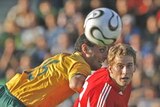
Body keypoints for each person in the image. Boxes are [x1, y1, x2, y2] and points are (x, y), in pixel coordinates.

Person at [0, 33, 108, 107]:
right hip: (22, 102)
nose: (105, 56)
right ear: (85, 49)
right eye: (102, 50)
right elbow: (76, 84)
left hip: (6, 91)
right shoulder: (81, 63)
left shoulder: (61, 57)